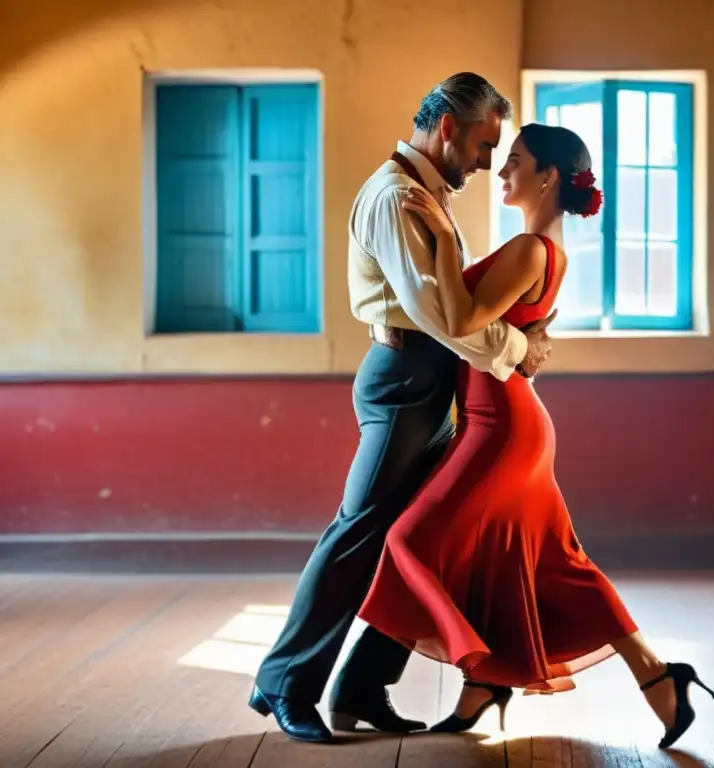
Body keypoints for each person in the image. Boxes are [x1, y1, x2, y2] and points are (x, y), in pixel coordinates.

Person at [356, 123, 714, 750]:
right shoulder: (542, 249)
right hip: (509, 420)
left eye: (515, 162)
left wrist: (440, 234)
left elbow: (462, 317)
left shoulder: (529, 250)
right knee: (557, 564)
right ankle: (657, 678)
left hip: (501, 430)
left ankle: (481, 672)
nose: (500, 173)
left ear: (548, 177)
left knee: (408, 541)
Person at [247, 73, 556, 744]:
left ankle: (362, 683)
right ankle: (285, 683)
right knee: (358, 535)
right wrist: (517, 348)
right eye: (481, 144)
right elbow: (439, 312)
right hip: (405, 384)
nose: (485, 162)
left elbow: (440, 310)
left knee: (424, 541)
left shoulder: (423, 195)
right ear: (447, 126)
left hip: (430, 380)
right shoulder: (396, 197)